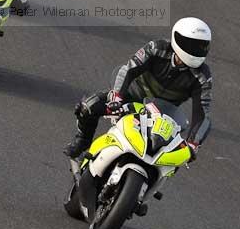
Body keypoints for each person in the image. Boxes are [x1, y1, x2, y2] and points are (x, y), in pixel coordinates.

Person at [64, 17, 212, 160]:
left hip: (162, 115)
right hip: (131, 98)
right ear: (178, 39)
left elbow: (202, 113)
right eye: (192, 45)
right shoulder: (157, 48)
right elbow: (128, 69)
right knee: (88, 107)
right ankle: (83, 141)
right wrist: (117, 97)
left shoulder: (203, 76)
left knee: (171, 155)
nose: (197, 51)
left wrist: (193, 142)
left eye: (202, 46)